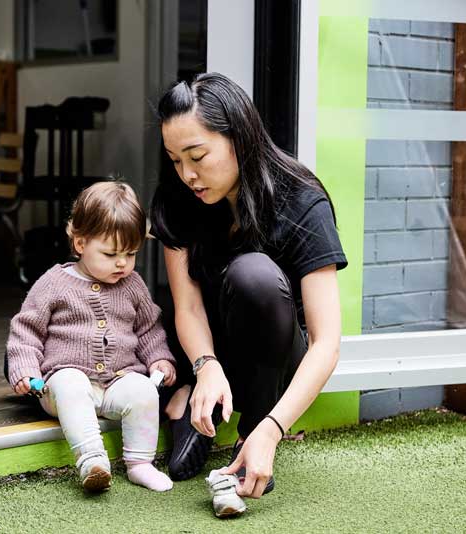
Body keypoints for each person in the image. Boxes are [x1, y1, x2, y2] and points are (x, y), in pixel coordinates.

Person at [151, 73, 347, 506]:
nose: (187, 174)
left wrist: (271, 429)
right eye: (174, 160)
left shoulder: (300, 201)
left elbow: (326, 343)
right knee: (181, 464)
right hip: (203, 345)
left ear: (239, 138)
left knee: (254, 275)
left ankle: (248, 433)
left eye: (197, 156)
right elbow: (187, 306)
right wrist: (204, 366)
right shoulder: (177, 198)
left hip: (272, 357)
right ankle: (188, 390)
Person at [6, 181, 177, 493]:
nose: (123, 263)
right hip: (62, 383)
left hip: (117, 381)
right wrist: (26, 370)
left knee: (143, 393)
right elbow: (26, 331)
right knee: (71, 384)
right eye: (111, 253)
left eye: (131, 253)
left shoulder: (133, 285)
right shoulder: (54, 283)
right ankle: (92, 460)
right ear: (81, 243)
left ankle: (140, 463)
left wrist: (160, 360)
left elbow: (149, 329)